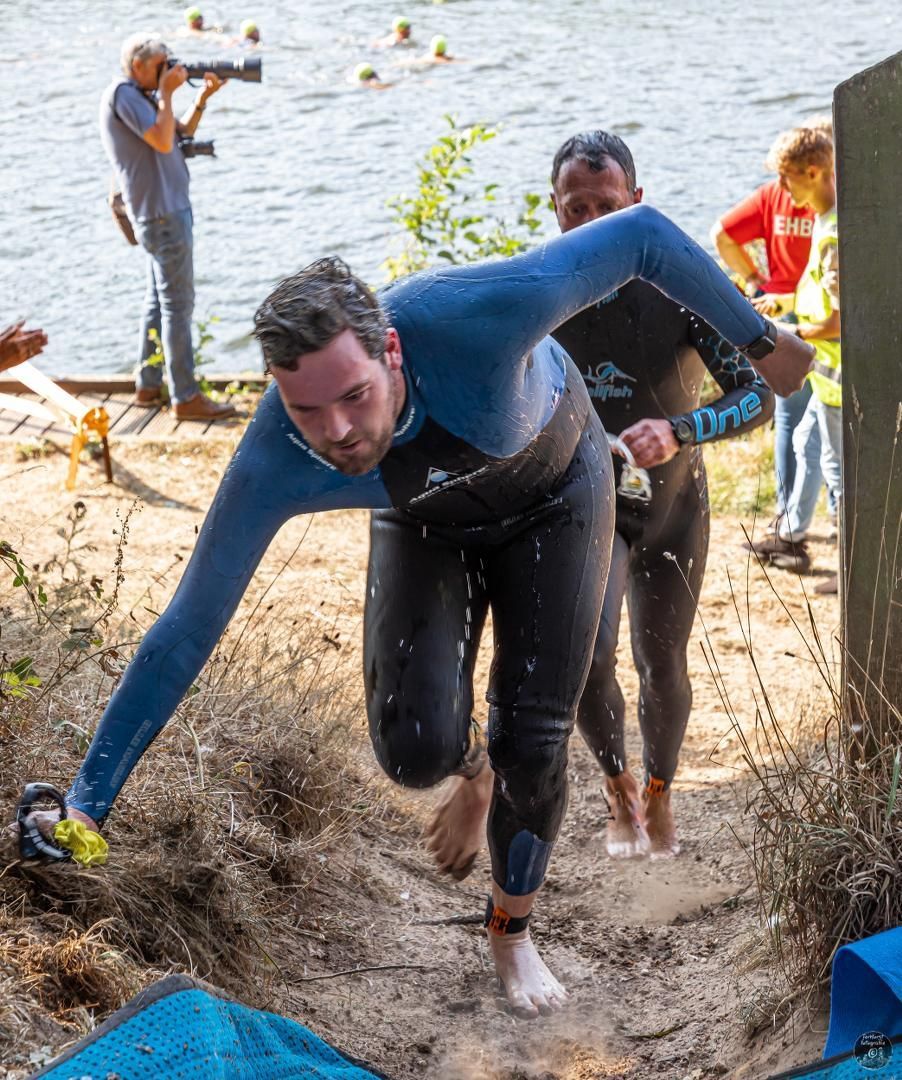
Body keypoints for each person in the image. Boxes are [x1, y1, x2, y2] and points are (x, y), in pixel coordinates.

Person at [34, 209, 810, 1019]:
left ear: (393, 352)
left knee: (532, 739)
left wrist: (762, 341)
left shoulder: (474, 317)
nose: (338, 432)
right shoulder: (276, 456)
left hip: (559, 491)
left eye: (355, 396)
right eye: (307, 411)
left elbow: (640, 236)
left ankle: (510, 932)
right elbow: (189, 623)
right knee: (412, 750)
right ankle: (471, 773)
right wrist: (87, 802)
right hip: (427, 520)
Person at [544, 131, 775, 858]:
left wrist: (680, 430)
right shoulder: (538, 291)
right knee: (588, 661)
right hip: (588, 511)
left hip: (673, 508)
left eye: (606, 207)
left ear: (637, 204)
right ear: (554, 208)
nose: (590, 224)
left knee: (662, 661)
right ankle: (617, 787)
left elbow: (758, 393)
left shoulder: (681, 285)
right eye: (575, 209)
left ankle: (658, 790)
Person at [99, 34, 236, 421]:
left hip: (164, 213)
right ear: (137, 66)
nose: (168, 70)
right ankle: (185, 397)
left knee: (159, 303)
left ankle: (148, 385)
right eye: (161, 65)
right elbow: (161, 142)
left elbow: (179, 131)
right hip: (162, 215)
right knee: (178, 306)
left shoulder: (142, 96)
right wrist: (167, 92)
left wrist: (202, 97)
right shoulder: (124, 94)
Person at [748, 127, 840, 594]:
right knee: (806, 444)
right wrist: (784, 303)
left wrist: (789, 334)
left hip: (838, 380)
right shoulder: (825, 220)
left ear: (814, 171)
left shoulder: (834, 235)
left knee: (839, 472)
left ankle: (855, 568)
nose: (781, 190)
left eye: (787, 179)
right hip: (825, 378)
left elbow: (842, 321)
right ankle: (791, 535)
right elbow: (821, 297)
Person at [711, 129, 818, 530]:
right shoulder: (824, 198)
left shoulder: (773, 195)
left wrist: (758, 281)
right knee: (825, 417)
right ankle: (814, 514)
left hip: (782, 317)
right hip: (818, 316)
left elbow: (721, 236)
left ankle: (788, 512)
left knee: (792, 418)